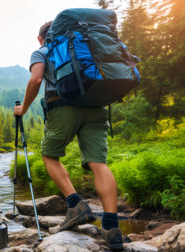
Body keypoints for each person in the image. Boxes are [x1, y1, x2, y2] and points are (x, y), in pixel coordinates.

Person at [13, 21, 124, 251]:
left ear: (40, 37)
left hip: (63, 107)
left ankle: (75, 204)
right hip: (96, 107)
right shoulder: (86, 47)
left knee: (49, 155)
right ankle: (112, 230)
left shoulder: (43, 49)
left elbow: (35, 80)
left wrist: (22, 109)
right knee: (98, 163)